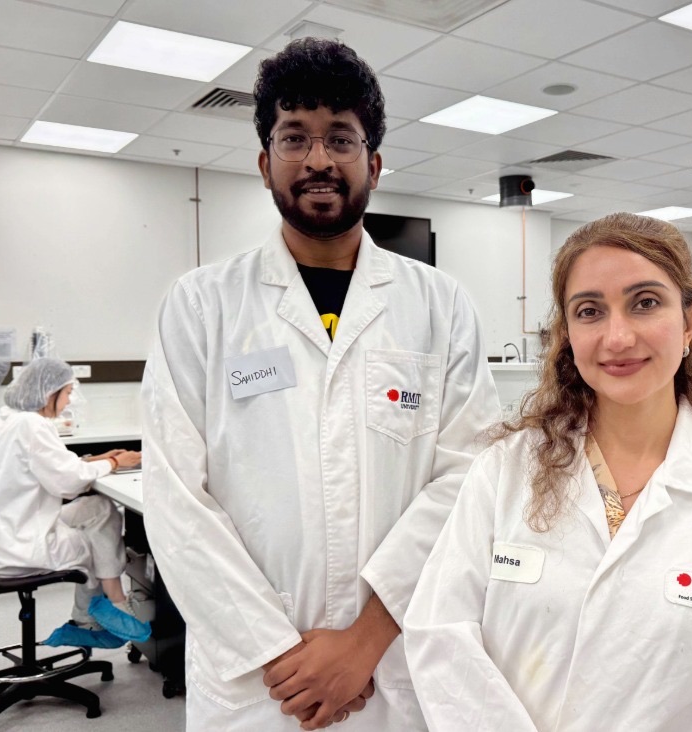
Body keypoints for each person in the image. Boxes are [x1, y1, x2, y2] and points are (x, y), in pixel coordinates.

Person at [141, 37, 500, 731]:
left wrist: (363, 643)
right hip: (260, 685)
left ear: (374, 163)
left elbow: (469, 480)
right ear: (264, 162)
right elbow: (176, 499)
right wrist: (280, 654)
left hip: (392, 664)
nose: (317, 159)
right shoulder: (201, 305)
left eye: (340, 138)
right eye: (293, 137)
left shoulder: (440, 305)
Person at [404, 213, 692, 731]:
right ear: (566, 333)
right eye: (590, 311)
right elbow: (440, 633)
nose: (618, 336)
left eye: (645, 302)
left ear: (689, 320)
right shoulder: (503, 471)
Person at [0, 358, 148, 643]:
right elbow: (68, 484)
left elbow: (49, 465)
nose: (69, 401)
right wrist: (115, 463)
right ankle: (98, 613)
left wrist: (99, 459)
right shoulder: (32, 425)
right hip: (20, 546)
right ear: (48, 392)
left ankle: (105, 605)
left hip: (7, 531)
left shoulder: (10, 418)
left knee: (100, 508)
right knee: (96, 543)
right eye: (67, 393)